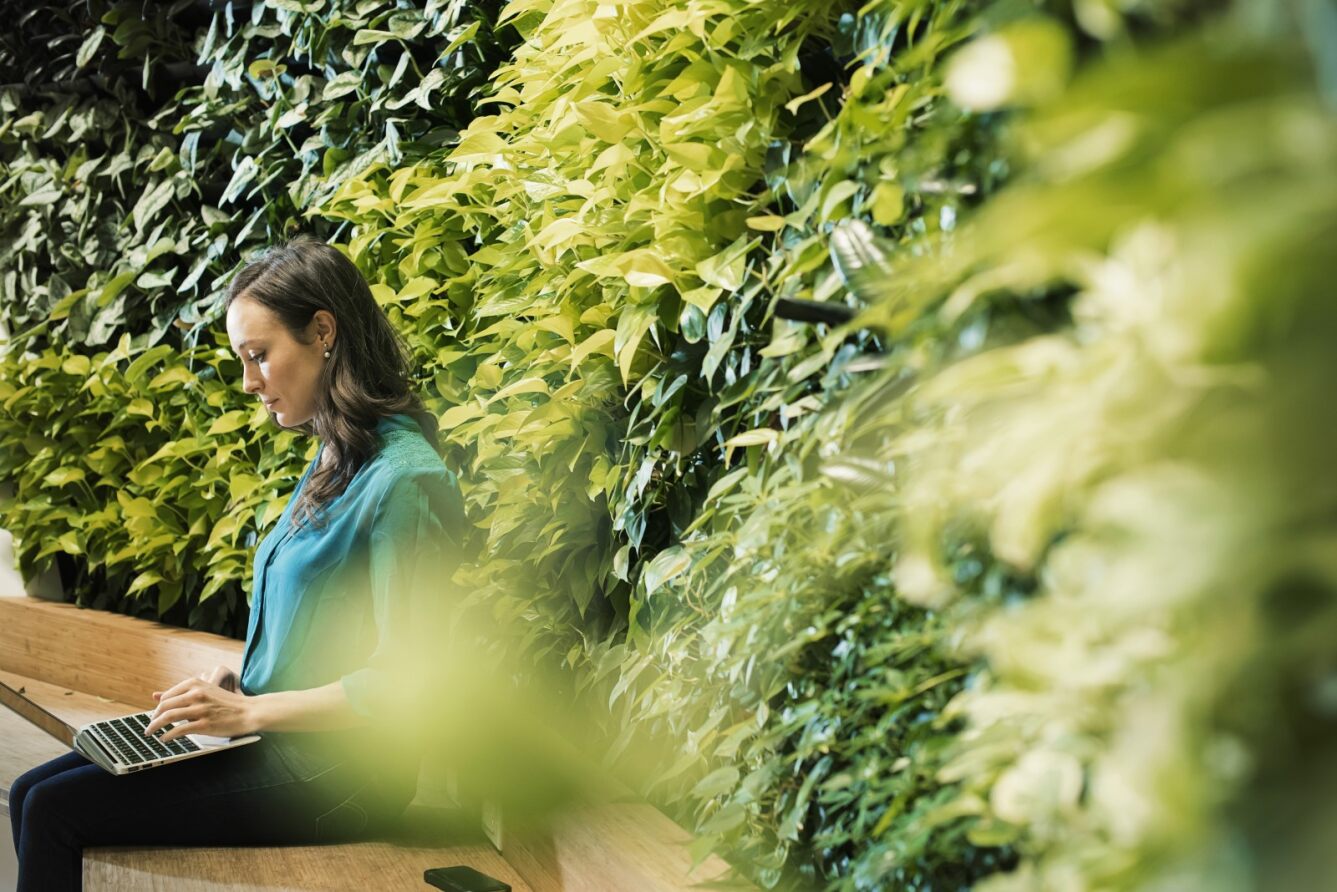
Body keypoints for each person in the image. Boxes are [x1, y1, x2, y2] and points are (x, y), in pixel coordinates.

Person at [8, 236, 466, 890]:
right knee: (30, 791)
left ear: (323, 334)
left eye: (258, 356)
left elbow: (406, 683)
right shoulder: (338, 455)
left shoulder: (404, 482)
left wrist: (250, 714)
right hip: (282, 743)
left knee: (54, 811)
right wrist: (240, 683)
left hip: (342, 776)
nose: (250, 383)